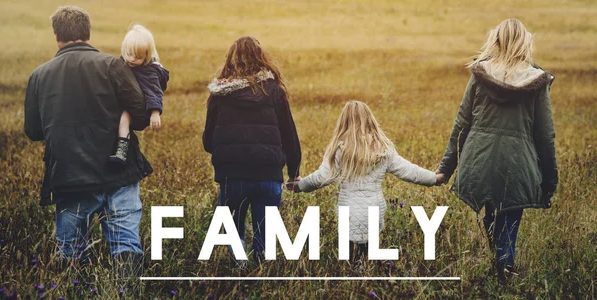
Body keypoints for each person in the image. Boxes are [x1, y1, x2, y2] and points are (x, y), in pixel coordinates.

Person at [24, 6, 152, 278]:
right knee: (126, 246)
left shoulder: (39, 76)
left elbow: (33, 131)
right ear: (88, 32)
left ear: (56, 35)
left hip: (70, 179)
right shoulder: (112, 65)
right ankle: (125, 295)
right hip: (118, 173)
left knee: (70, 253)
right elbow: (140, 115)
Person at [435, 19, 558, 281]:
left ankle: (499, 268)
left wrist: (446, 168)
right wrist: (550, 178)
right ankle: (504, 270)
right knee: (509, 218)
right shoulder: (536, 81)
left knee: (491, 214)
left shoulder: (480, 75)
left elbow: (462, 123)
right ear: (526, 42)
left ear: (496, 41)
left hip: (480, 161)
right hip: (518, 164)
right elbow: (545, 135)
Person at [292, 101, 444, 263]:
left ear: (344, 122)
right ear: (370, 119)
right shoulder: (383, 148)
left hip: (349, 213)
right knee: (369, 258)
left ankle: (355, 284)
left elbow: (320, 178)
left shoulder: (340, 149)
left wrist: (299, 186)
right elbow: (409, 171)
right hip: (375, 210)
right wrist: (434, 178)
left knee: (350, 260)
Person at [202, 36, 301, 264]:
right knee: (265, 240)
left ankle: (239, 275)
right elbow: (289, 135)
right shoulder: (274, 90)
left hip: (231, 177)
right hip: (268, 175)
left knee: (233, 234)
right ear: (261, 59)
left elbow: (209, 142)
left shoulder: (219, 94)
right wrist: (293, 171)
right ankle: (261, 278)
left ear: (230, 60)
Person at [109, 24, 169, 165]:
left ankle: (121, 152)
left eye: (138, 57)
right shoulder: (123, 64)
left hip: (137, 106)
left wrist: (155, 112)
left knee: (124, 119)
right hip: (124, 102)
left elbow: (154, 91)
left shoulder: (149, 71)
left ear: (147, 56)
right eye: (129, 54)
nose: (132, 59)